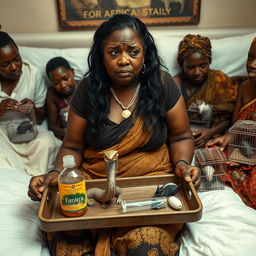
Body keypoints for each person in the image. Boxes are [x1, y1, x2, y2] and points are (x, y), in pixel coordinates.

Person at [28, 14, 200, 256]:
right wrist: (56, 174)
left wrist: (182, 163)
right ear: (101, 55)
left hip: (151, 187)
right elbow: (72, 147)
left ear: (145, 53)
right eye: (113, 52)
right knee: (69, 244)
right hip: (95, 187)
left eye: (132, 51)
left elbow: (181, 136)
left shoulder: (162, 83)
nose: (123, 60)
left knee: (146, 247)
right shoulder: (87, 89)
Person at [0, 31, 60, 176]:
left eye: (17, 59)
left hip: (28, 131)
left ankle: (37, 181)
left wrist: (31, 109)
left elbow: (41, 117)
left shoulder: (33, 74)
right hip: (2, 136)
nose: (14, 67)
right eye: (5, 64)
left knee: (47, 143)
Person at [207, 38, 256, 209]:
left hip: (251, 154)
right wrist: (227, 138)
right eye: (250, 58)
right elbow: (235, 126)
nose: (252, 65)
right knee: (210, 152)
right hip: (243, 146)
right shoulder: (244, 87)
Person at [174, 34, 238, 149]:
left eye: (203, 65)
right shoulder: (174, 84)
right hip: (182, 140)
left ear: (209, 61)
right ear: (181, 65)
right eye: (190, 67)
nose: (197, 72)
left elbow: (230, 117)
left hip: (215, 136)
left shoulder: (220, 80)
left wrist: (209, 132)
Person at [45, 57, 77, 140]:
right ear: (51, 82)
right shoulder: (52, 95)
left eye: (66, 79)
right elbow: (51, 126)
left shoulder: (85, 86)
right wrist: (67, 133)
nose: (63, 85)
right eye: (56, 83)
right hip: (66, 137)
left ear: (73, 73)